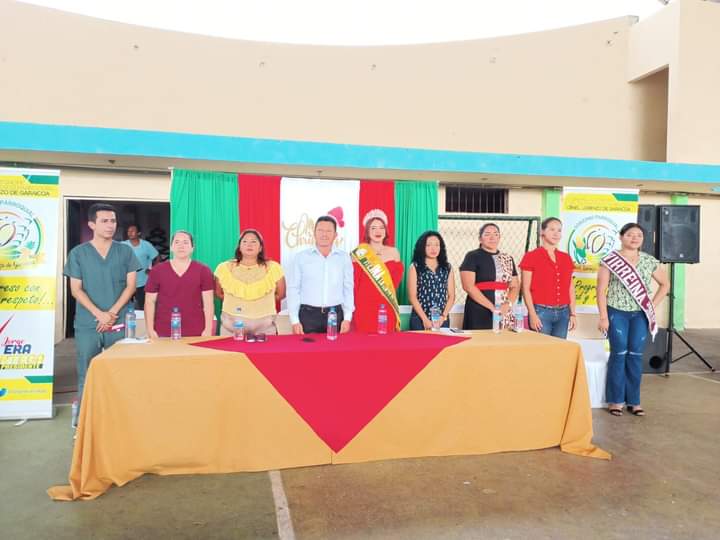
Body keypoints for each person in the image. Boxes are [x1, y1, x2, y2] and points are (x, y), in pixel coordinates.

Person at [64, 203, 141, 406]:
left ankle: (119, 418)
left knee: (121, 372)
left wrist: (111, 314)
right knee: (87, 372)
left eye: (113, 221)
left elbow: (131, 286)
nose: (110, 225)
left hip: (118, 322)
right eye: (104, 221)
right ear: (91, 224)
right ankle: (85, 420)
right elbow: (76, 290)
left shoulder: (125, 252)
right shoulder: (78, 253)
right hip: (88, 323)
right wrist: (99, 314)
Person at [596, 222, 669, 417]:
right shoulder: (610, 260)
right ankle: (615, 400)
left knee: (636, 355)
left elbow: (665, 284)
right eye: (630, 234)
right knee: (619, 353)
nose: (635, 238)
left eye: (639, 235)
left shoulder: (649, 260)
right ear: (621, 237)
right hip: (616, 312)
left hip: (640, 314)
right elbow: (601, 290)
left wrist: (652, 305)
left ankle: (634, 401)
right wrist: (603, 317)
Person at [287, 215, 354, 334]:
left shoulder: (344, 258)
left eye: (329, 231)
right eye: (320, 230)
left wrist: (347, 318)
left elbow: (348, 288)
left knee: (336, 346)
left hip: (335, 315)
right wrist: (294, 320)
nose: (324, 234)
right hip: (308, 316)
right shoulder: (301, 257)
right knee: (306, 347)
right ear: (314, 233)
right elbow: (293, 289)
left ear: (335, 235)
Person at [144, 230, 215, 338]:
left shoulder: (203, 270)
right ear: (171, 247)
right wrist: (150, 330)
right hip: (163, 331)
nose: (181, 246)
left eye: (185, 242)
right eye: (177, 242)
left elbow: (208, 303)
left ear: (192, 248)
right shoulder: (157, 271)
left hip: (196, 331)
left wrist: (208, 329)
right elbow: (149, 302)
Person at [214, 229, 286, 336]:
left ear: (260, 248)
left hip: (265, 328)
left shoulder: (273, 267)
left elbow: (281, 294)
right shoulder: (224, 268)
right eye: (245, 241)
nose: (249, 245)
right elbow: (218, 293)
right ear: (239, 247)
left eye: (253, 241)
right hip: (231, 327)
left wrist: (261, 302)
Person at [519, 217, 576, 338]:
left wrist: (573, 314)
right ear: (542, 232)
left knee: (560, 347)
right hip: (541, 312)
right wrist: (532, 314)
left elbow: (570, 288)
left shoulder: (566, 258)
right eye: (552, 229)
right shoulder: (531, 257)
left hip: (564, 313)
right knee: (542, 347)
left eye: (559, 230)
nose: (556, 233)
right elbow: (525, 288)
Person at [351, 209, 404, 332]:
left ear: (386, 231)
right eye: (373, 228)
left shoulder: (394, 252)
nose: (378, 231)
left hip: (386, 302)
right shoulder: (360, 252)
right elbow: (354, 283)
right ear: (367, 231)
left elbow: (394, 283)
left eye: (381, 228)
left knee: (386, 337)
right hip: (364, 303)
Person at [460, 223, 520, 330]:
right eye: (487, 234)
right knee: (479, 339)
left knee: (502, 339)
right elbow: (468, 286)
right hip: (478, 309)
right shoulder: (472, 256)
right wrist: (492, 307)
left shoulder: (508, 258)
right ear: (480, 238)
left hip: (503, 310)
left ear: (499, 237)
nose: (492, 238)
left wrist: (507, 304)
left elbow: (515, 286)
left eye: (496, 234)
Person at [407, 231, 456, 330]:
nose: (433, 248)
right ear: (422, 247)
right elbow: (412, 297)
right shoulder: (415, 267)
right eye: (428, 245)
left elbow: (452, 296)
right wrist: (425, 319)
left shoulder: (447, 267)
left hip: (442, 320)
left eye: (437, 245)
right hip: (420, 319)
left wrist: (443, 317)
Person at [122, 224, 159, 310]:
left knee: (143, 307)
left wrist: (153, 270)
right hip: (126, 282)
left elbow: (157, 257)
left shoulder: (146, 245)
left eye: (132, 231)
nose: (130, 233)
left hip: (142, 282)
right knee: (125, 307)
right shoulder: (123, 245)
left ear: (139, 233)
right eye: (128, 231)